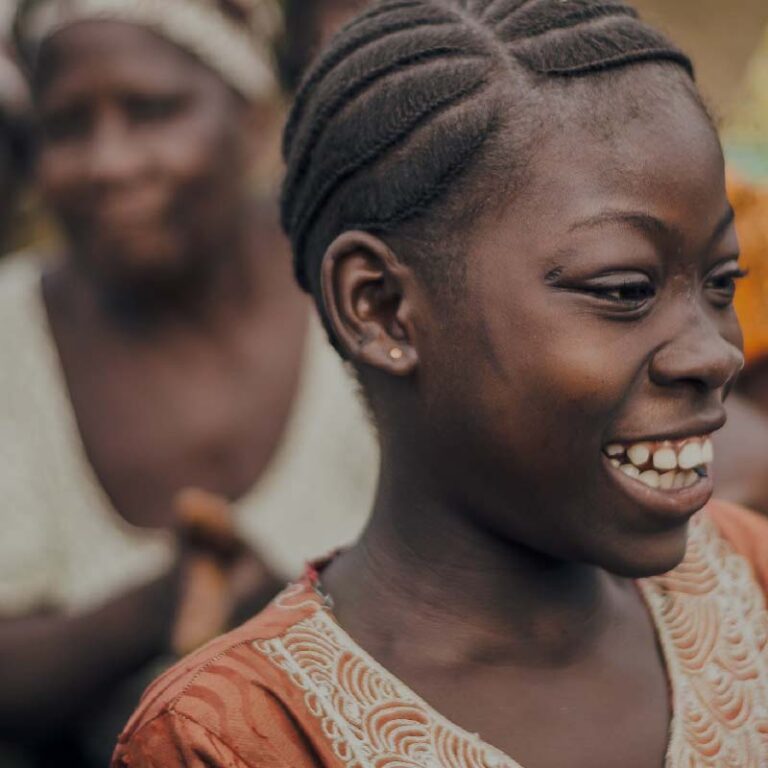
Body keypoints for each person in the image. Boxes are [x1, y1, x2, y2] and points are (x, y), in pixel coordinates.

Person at [114, 1, 768, 766]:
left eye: (721, 283)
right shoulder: (235, 738)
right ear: (382, 309)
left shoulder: (751, 582)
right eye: (624, 289)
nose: (715, 354)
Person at [2, 0, 376, 764]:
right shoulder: (10, 338)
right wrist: (163, 605)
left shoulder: (371, 293)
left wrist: (289, 614)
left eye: (153, 110)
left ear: (251, 119)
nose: (109, 161)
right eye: (67, 126)